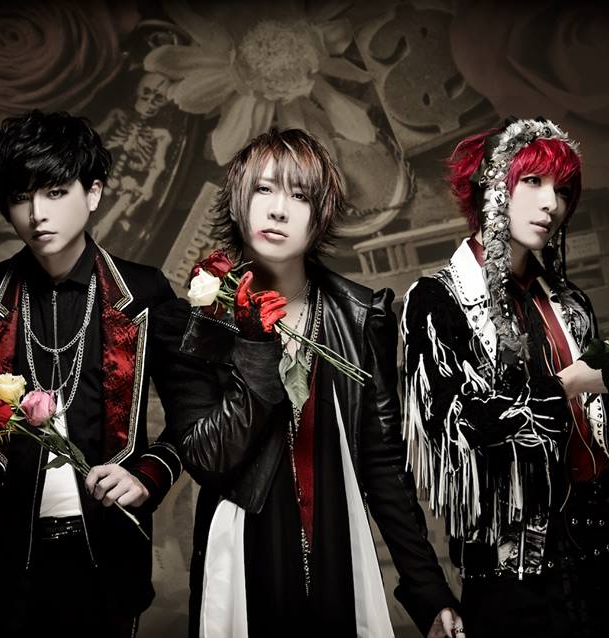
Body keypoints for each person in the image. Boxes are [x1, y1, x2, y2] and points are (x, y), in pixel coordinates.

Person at [171, 128, 459, 637]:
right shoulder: (202, 317)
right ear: (239, 201)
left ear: (320, 215)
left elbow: (383, 466)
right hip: (244, 556)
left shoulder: (359, 314)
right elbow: (207, 457)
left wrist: (429, 593)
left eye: (300, 196)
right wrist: (256, 347)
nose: (279, 210)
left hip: (335, 550)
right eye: (264, 189)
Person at [0, 110, 185, 637]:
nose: (37, 213)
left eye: (56, 192)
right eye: (21, 197)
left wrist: (147, 476)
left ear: (94, 194)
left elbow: (191, 418)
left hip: (107, 560)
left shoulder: (144, 293)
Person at [401, 117, 609, 638]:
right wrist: (568, 384)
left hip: (598, 551)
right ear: (492, 186)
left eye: (563, 191)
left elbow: (596, 424)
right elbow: (460, 426)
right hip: (513, 569)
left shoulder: (570, 303)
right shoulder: (436, 301)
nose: (552, 204)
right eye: (533, 181)